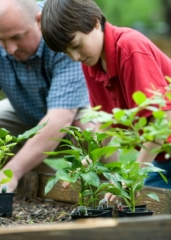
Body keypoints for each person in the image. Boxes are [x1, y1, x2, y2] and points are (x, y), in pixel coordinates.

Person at [0, 0, 93, 194]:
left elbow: (59, 118)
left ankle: (107, 192)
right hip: (23, 110)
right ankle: (38, 185)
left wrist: (12, 171)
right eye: (2, 40)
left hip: (75, 111)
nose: (10, 49)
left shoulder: (61, 33)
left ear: (38, 21)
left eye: (17, 37)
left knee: (91, 134)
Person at [40, 0, 171, 190]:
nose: (75, 57)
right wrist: (86, 162)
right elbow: (106, 122)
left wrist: (130, 176)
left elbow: (162, 120)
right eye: (66, 52)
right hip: (162, 156)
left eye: (76, 45)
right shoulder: (91, 63)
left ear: (95, 22)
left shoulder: (129, 48)